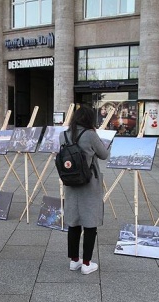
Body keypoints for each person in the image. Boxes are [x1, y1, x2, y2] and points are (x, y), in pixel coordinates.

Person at [60, 105, 109, 275]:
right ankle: (87, 263)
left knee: (73, 221)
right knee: (90, 222)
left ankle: (74, 261)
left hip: (71, 182)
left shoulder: (63, 134)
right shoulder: (90, 134)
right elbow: (104, 154)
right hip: (89, 183)